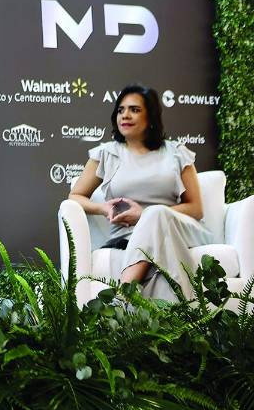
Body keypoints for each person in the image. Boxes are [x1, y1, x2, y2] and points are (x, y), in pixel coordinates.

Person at [70, 83, 209, 300]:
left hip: (177, 231)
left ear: (151, 117)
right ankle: (180, 320)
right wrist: (102, 208)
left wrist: (144, 215)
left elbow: (196, 208)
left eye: (134, 110)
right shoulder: (106, 153)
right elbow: (74, 198)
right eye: (121, 110)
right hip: (127, 236)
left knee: (156, 213)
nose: (125, 115)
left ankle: (121, 298)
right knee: (155, 237)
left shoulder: (176, 153)